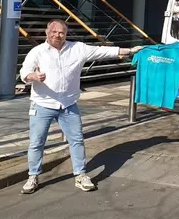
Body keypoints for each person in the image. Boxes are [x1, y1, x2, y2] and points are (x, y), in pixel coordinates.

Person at [19, 19, 143, 194]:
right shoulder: (37, 52)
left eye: (61, 32)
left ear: (66, 34)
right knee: (36, 142)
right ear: (47, 32)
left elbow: (102, 51)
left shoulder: (77, 48)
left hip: (68, 104)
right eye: (53, 32)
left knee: (77, 140)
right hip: (42, 104)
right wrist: (33, 76)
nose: (57, 35)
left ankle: (80, 175)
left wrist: (130, 50)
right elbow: (24, 72)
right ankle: (33, 176)